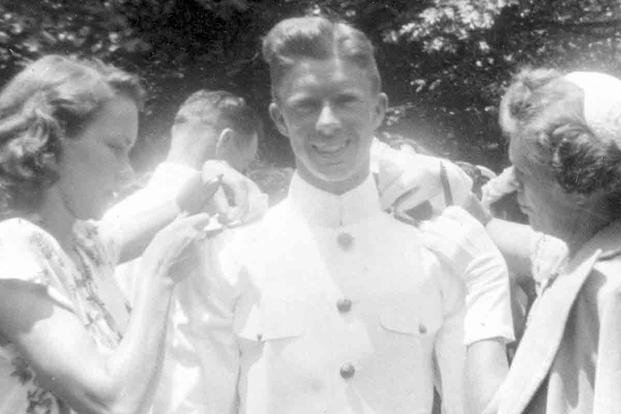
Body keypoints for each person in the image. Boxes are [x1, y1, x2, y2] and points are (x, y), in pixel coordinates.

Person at [156, 16, 513, 414]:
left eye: (346, 100)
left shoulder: (441, 248)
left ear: (378, 110)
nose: (327, 123)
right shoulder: (228, 253)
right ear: (279, 119)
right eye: (306, 105)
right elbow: (193, 404)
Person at [0, 55, 215, 413]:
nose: (127, 173)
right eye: (117, 148)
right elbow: (111, 402)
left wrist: (209, 186)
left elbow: (126, 234)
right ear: (49, 145)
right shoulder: (11, 248)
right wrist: (158, 276)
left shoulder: (80, 244)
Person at [481, 69, 621, 413]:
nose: (512, 184)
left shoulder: (609, 290)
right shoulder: (581, 252)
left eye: (524, 173)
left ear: (579, 183)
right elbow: (487, 231)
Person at [109, 89, 265, 302]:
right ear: (225, 140)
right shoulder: (229, 229)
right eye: (244, 166)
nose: (242, 177)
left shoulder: (112, 218)